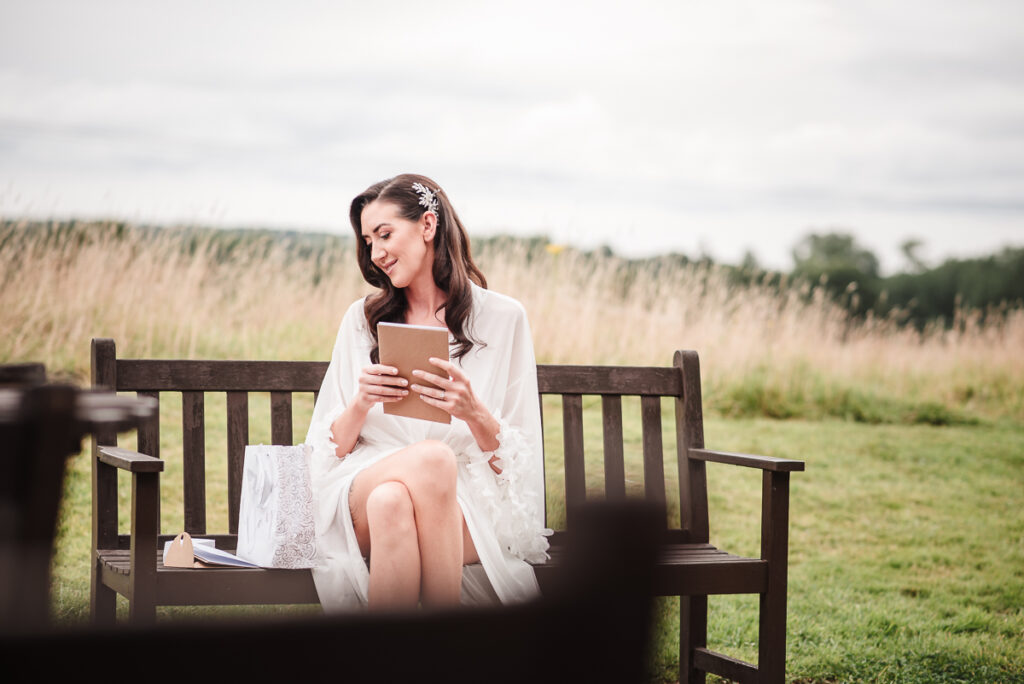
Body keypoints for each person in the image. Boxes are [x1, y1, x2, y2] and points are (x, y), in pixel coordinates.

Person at [305, 173, 550, 612]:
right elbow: (328, 452)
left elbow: (517, 466)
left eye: (385, 234)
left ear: (427, 226)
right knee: (427, 461)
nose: (376, 253)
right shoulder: (361, 320)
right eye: (368, 241)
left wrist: (475, 413)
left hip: (465, 503)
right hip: (362, 479)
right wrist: (361, 402)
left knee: (393, 503)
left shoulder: (504, 319)